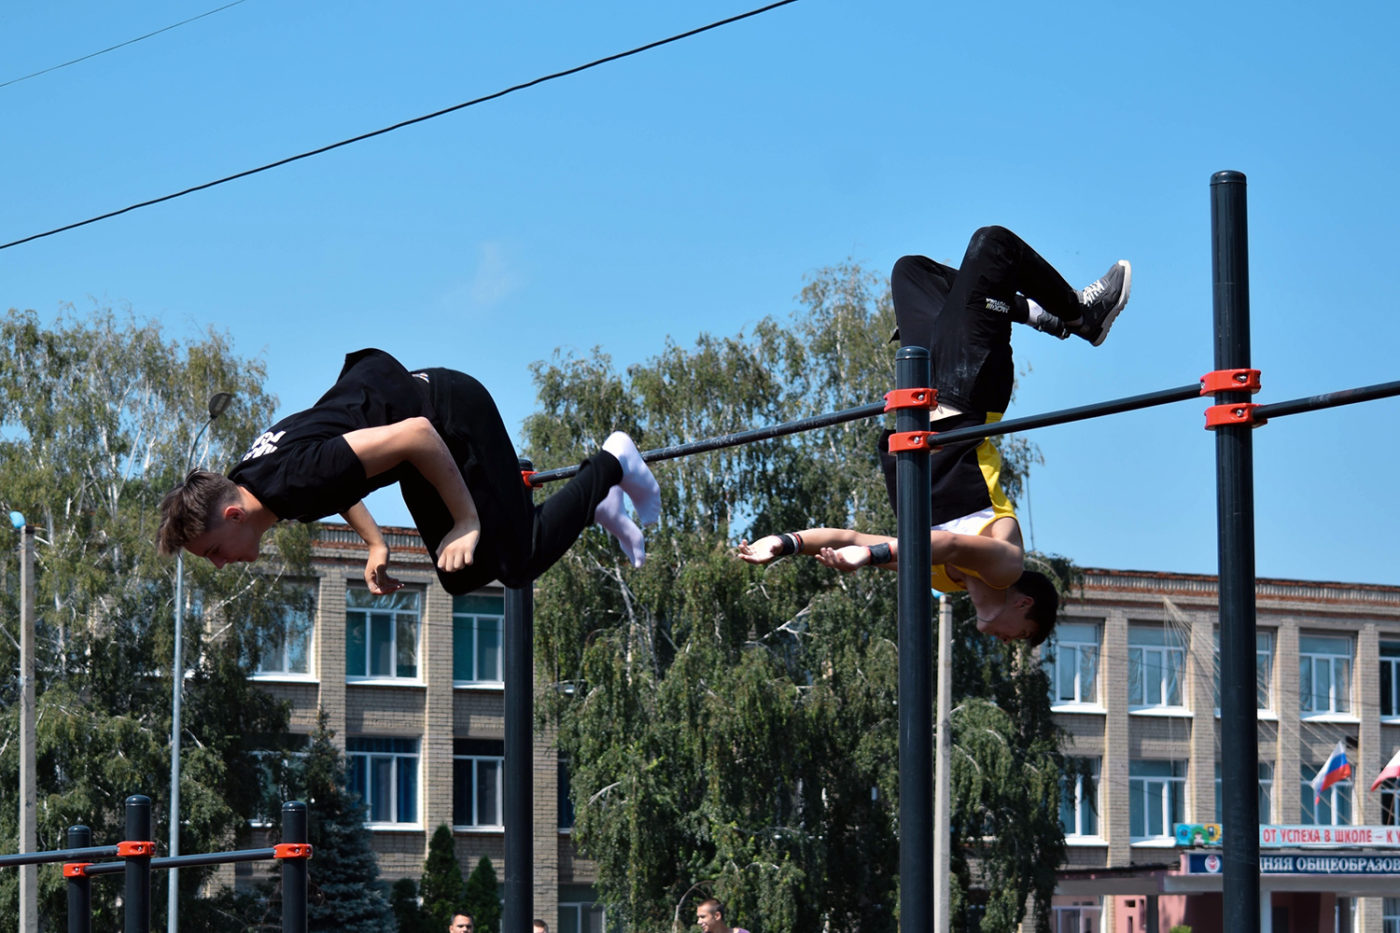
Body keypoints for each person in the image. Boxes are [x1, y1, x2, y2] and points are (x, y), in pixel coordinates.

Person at [738, 226, 1132, 645]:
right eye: (1020, 636)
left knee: (912, 273)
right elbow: (948, 543)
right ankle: (1081, 317)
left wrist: (783, 543)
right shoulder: (1007, 567)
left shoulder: (943, 581)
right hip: (970, 395)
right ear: (1024, 605)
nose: (1007, 641)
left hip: (921, 403)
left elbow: (848, 537)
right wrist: (874, 556)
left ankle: (1037, 314)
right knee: (994, 245)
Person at [157, 348, 661, 593]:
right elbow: (337, 484)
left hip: (446, 416)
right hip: (416, 448)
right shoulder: (258, 481)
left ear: (233, 514)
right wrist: (376, 544)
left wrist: (468, 520)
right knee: (458, 575)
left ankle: (613, 460)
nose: (220, 564)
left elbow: (417, 434)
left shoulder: (290, 479)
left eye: (215, 551)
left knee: (517, 559)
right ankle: (595, 501)